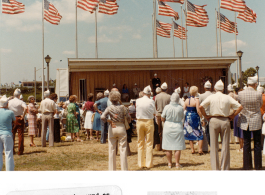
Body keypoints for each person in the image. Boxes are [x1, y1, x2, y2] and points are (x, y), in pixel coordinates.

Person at [200, 79, 243, 170]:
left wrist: (206, 116)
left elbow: (201, 106)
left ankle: (215, 168)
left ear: (215, 89)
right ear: (223, 89)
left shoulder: (211, 97)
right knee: (225, 146)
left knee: (214, 146)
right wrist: (232, 116)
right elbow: (240, 106)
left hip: (214, 120)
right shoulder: (227, 97)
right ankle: (224, 168)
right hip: (225, 120)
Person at [101, 91, 131, 171]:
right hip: (121, 127)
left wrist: (110, 121)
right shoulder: (123, 107)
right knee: (123, 149)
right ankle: (124, 169)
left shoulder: (109, 108)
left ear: (110, 99)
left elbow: (102, 117)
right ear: (119, 98)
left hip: (112, 127)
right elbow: (128, 118)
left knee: (112, 149)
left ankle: (111, 170)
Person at [238, 75, 263, 170]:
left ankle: (247, 166)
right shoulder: (258, 94)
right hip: (256, 118)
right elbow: (260, 104)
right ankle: (258, 166)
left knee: (246, 143)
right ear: (255, 84)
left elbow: (239, 105)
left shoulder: (241, 94)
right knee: (257, 143)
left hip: (245, 119)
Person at [161, 93, 186, 168]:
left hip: (168, 127)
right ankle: (177, 163)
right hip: (178, 127)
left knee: (168, 147)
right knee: (177, 147)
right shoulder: (180, 108)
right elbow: (182, 117)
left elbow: (162, 118)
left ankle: (169, 163)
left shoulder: (167, 107)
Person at [136, 85, 156, 168]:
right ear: (149, 93)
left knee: (140, 142)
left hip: (140, 121)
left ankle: (141, 163)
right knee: (149, 143)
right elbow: (154, 112)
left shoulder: (137, 100)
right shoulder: (151, 101)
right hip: (149, 121)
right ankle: (148, 163)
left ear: (143, 93)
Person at [183, 86, 204, 155]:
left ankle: (192, 149)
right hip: (195, 117)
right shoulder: (196, 100)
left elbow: (183, 109)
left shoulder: (186, 100)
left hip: (188, 117)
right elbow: (198, 110)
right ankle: (200, 149)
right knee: (200, 132)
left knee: (189, 132)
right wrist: (202, 118)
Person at [8, 88, 27, 155]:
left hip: (11, 118)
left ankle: (12, 150)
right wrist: (23, 115)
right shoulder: (21, 102)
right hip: (19, 117)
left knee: (12, 134)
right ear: (19, 95)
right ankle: (20, 150)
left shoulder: (9, 102)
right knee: (20, 134)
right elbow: (25, 108)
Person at [0, 95, 16, 171]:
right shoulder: (10, 112)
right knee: (8, 153)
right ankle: (9, 171)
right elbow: (14, 121)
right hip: (7, 133)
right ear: (7, 104)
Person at [155, 82, 170, 151]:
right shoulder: (169, 96)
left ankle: (159, 146)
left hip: (158, 114)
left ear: (161, 88)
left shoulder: (157, 96)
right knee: (165, 131)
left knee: (159, 130)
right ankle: (165, 146)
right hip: (166, 115)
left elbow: (155, 106)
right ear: (166, 89)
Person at [198, 81, 213, 153]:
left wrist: (201, 116)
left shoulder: (201, 96)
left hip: (204, 115)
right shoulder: (213, 95)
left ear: (204, 88)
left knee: (204, 131)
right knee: (213, 132)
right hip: (212, 115)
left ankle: (204, 148)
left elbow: (199, 106)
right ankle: (213, 146)